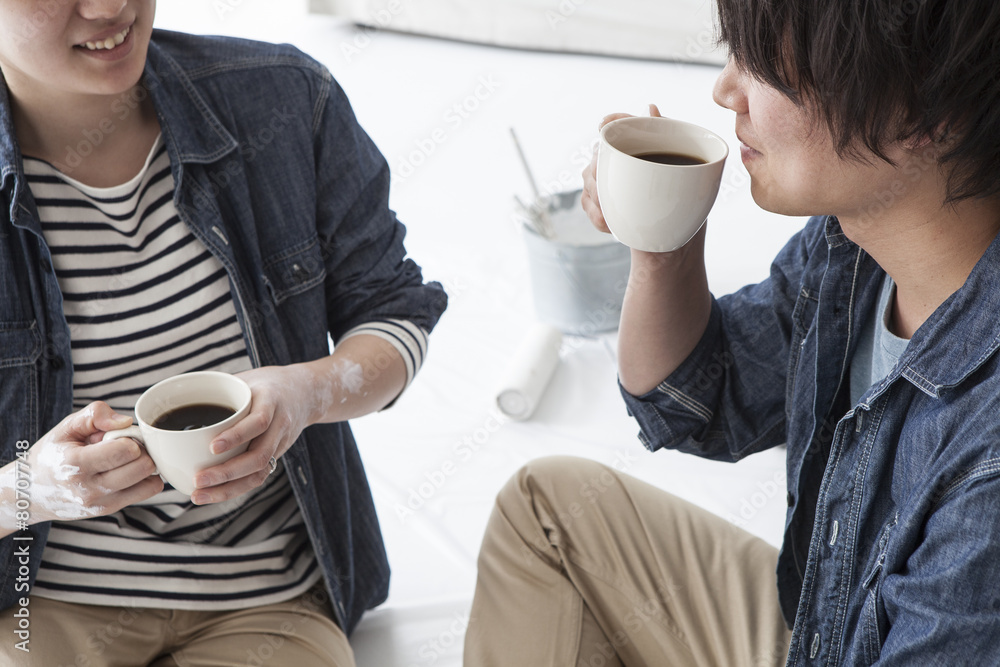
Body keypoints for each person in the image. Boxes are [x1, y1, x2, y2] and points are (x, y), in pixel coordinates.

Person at [464, 0, 1000, 665]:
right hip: (822, 627)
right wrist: (663, 244)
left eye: (765, 65)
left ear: (924, 111)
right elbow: (697, 399)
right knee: (544, 509)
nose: (725, 89)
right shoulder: (851, 249)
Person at [0, 1, 446, 665]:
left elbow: (394, 310)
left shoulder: (284, 98)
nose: (109, 7)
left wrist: (309, 390)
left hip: (268, 596)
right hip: (42, 603)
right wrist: (29, 488)